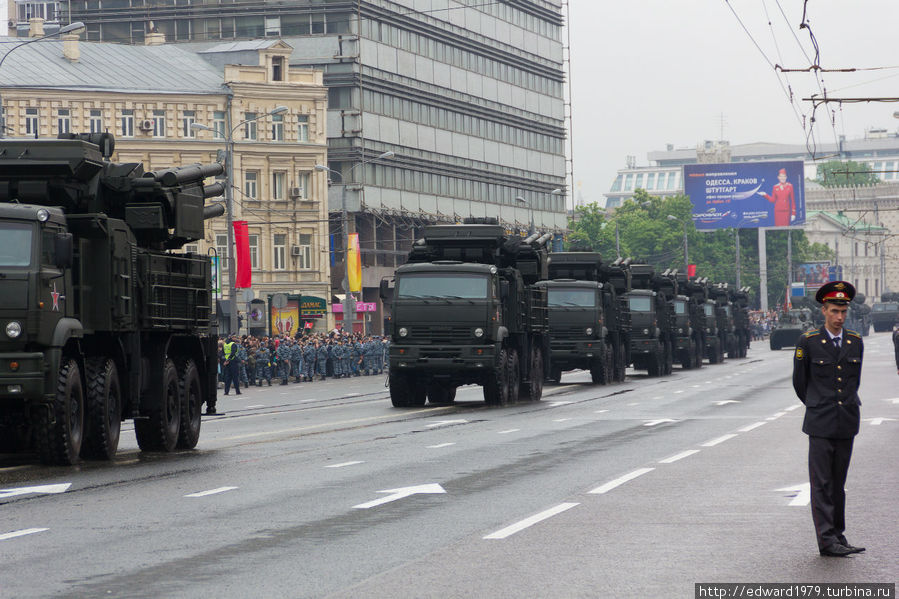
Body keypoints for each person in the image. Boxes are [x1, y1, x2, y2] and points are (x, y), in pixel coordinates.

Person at [792, 281, 864, 558]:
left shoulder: (854, 341)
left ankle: (838, 535)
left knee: (838, 482)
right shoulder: (808, 342)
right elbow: (801, 383)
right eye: (835, 311)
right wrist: (818, 404)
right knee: (821, 483)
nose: (840, 317)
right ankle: (826, 540)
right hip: (820, 422)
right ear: (824, 311)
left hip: (846, 420)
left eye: (843, 312)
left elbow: (853, 382)